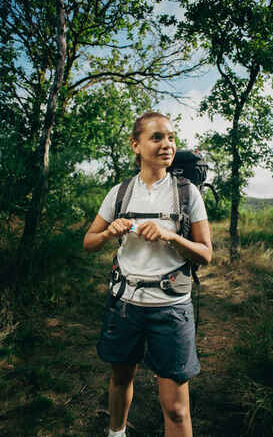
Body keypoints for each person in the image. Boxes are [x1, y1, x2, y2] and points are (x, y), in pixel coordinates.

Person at [83, 112, 212, 437]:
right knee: (120, 379)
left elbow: (206, 254)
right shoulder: (120, 192)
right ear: (135, 145)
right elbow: (89, 242)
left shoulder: (187, 194)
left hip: (171, 309)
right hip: (124, 304)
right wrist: (109, 232)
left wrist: (172, 237)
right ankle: (116, 433)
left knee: (177, 409)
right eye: (157, 137)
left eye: (170, 137)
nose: (167, 144)